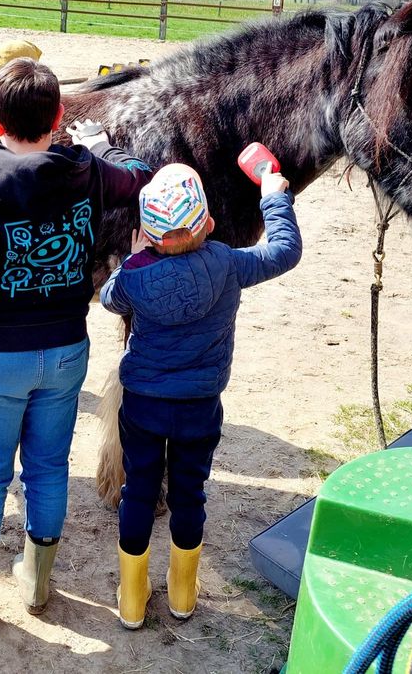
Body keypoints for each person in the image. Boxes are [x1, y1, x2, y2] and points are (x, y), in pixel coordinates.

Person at [0, 57, 153, 635]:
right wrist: (99, 150)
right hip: (65, 349)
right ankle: (36, 580)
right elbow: (139, 173)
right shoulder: (89, 172)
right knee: (49, 469)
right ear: (59, 116)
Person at [99, 162, 302, 628]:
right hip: (200, 407)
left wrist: (135, 258)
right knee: (190, 494)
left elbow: (110, 298)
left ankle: (132, 599)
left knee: (138, 492)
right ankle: (183, 594)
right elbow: (285, 250)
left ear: (149, 238)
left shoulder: (134, 275)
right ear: (208, 224)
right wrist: (272, 195)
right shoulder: (230, 264)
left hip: (144, 405)